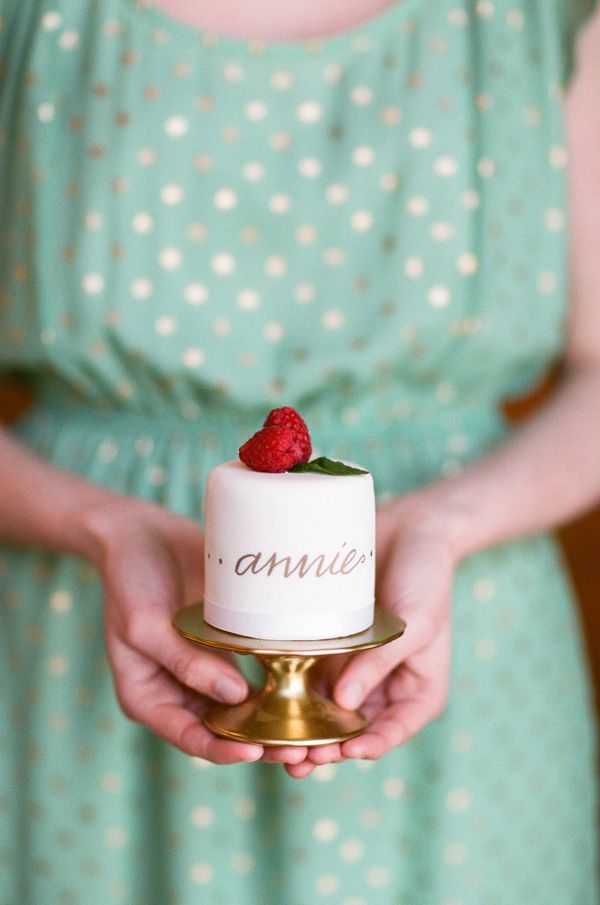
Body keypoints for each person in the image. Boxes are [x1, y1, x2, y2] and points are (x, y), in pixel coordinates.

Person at [0, 0, 598, 902]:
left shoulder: (539, 19)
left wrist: (442, 522)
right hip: (71, 647)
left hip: (464, 654)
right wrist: (100, 523)